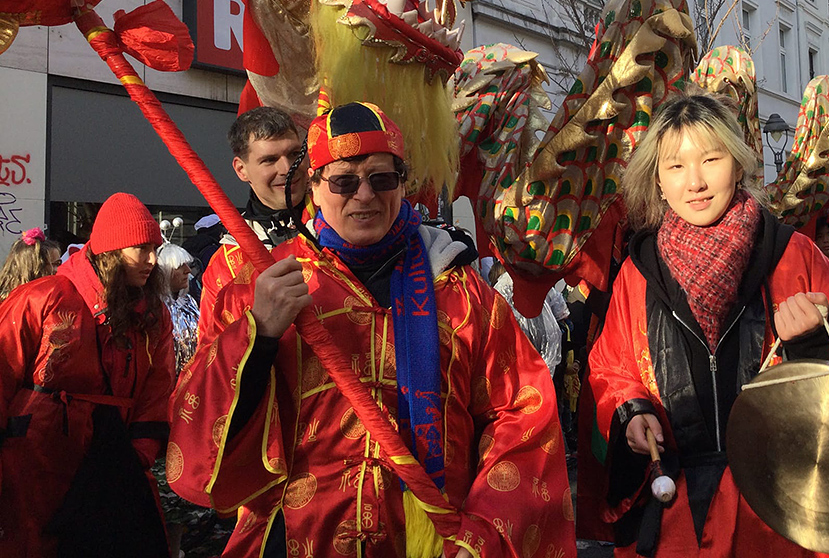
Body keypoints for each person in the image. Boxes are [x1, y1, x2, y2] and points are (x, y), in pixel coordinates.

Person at [168, 102, 575, 558]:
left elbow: (524, 412)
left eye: (381, 179)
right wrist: (257, 335)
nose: (364, 195)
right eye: (344, 181)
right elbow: (200, 425)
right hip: (300, 540)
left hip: (435, 541)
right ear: (315, 188)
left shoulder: (460, 293)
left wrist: (482, 533)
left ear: (401, 185)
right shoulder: (266, 285)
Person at [586, 90, 829, 558]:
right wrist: (631, 409)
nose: (694, 182)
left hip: (781, 510)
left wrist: (814, 347)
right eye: (675, 166)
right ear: (657, 180)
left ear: (737, 164)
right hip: (675, 515)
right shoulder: (638, 272)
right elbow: (612, 367)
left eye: (710, 159)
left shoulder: (794, 256)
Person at [0, 193, 175, 557]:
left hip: (114, 469)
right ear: (110, 251)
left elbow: (158, 392)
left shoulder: (154, 316)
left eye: (154, 248)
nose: (152, 260)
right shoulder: (44, 297)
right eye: (141, 248)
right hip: (37, 467)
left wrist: (138, 456)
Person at [198, 107, 308, 340]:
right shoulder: (225, 266)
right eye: (269, 160)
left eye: (294, 154)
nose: (287, 169)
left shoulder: (338, 224)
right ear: (241, 169)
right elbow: (211, 361)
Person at [157, 242, 200, 374]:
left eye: (187, 265)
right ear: (165, 272)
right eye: (180, 266)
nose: (188, 270)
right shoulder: (155, 307)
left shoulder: (189, 302)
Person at [0, 227, 61, 301]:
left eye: (59, 263)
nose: (57, 269)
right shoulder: (42, 300)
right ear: (36, 267)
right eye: (55, 264)